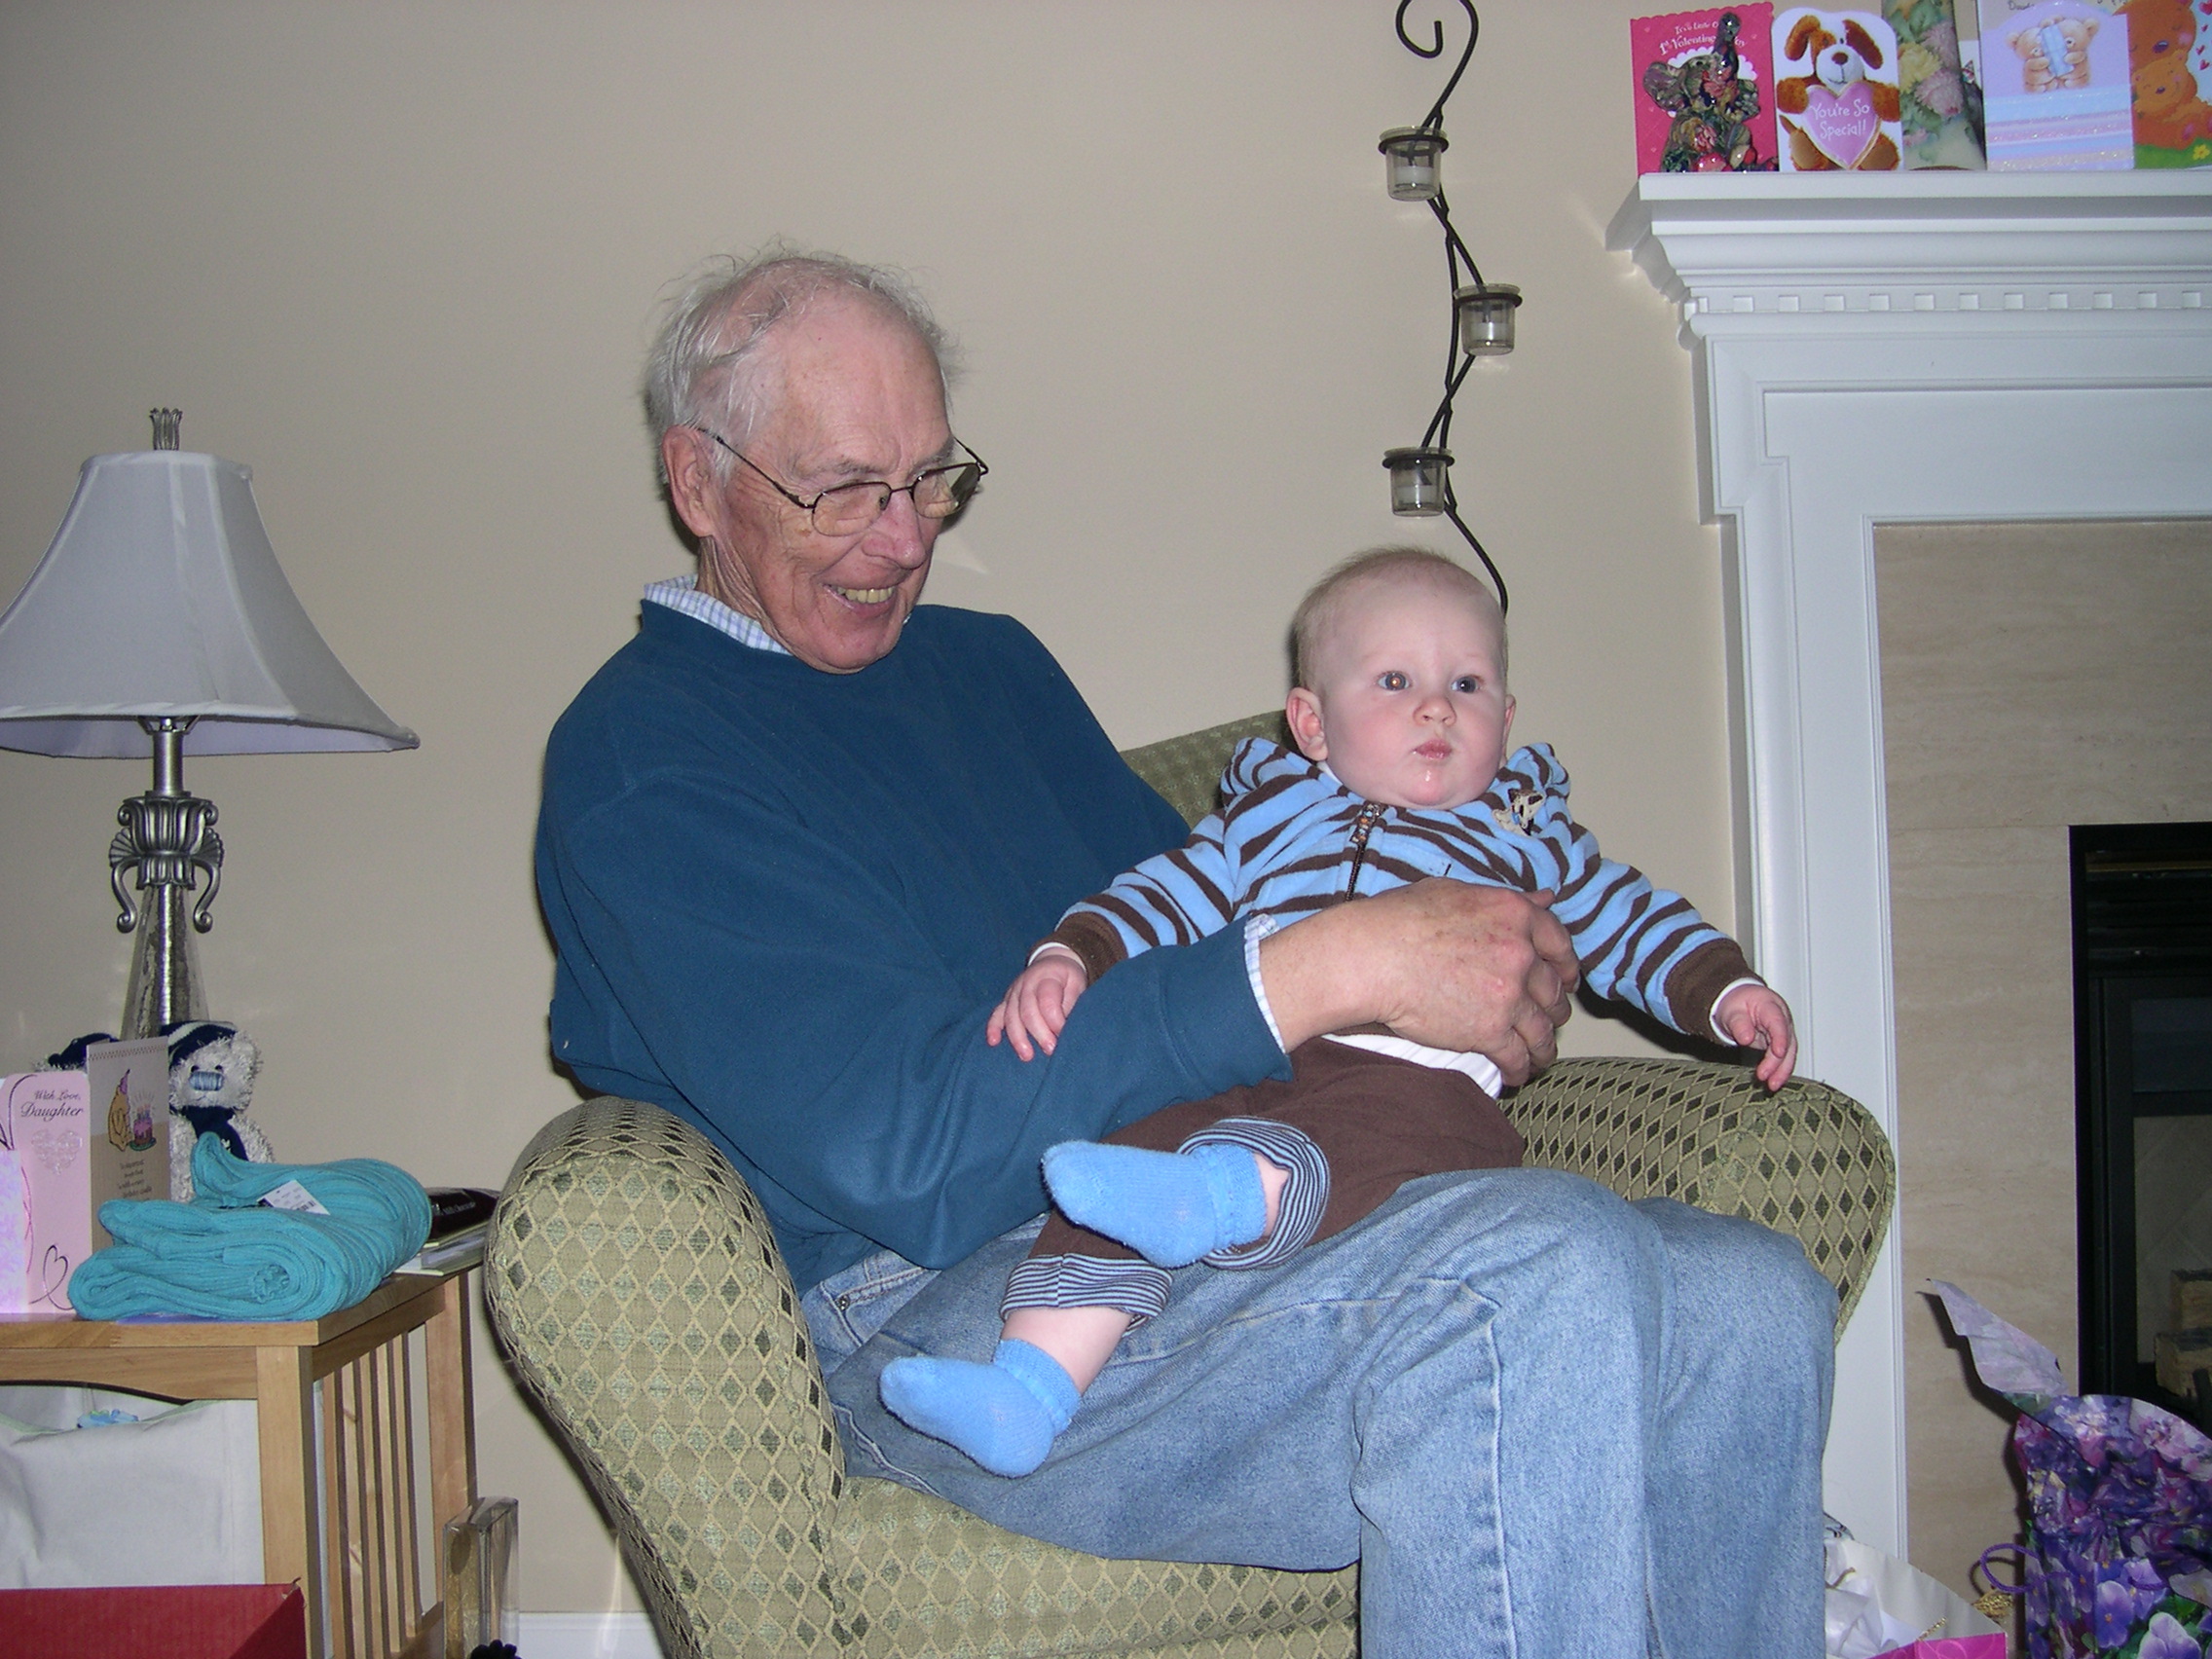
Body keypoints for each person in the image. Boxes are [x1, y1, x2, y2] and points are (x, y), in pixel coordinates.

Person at [535, 249, 1837, 1657]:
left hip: (1206, 1194)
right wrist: (1341, 965)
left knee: (1751, 1298)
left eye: (931, 481)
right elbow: (911, 1154)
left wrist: (1450, 974)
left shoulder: (991, 668)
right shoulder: (647, 762)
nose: (905, 539)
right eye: (844, 488)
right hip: (946, 1305)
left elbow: (1195, 913)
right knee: (1530, 1263)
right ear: (696, 481)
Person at [874, 546, 1799, 1477]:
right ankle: (1029, 1388)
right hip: (1264, 1060)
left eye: (1469, 683)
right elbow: (1163, 895)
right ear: (1312, 723)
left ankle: (1230, 1197)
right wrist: (1071, 953)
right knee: (1133, 1152)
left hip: (1425, 1092)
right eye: (1395, 680)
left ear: (1507, 720)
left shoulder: (1529, 836)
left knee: (1365, 1123)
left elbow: (1631, 918)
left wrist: (1723, 991)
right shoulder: (1262, 826)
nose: (1438, 707)